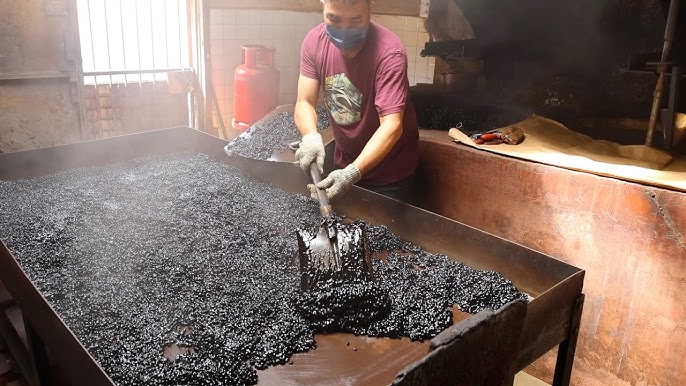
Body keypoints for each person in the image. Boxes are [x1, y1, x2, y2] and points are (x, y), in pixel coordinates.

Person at [294, 0, 419, 203]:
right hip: (343, 163)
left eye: (355, 20)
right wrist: (310, 136)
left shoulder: (389, 53)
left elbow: (392, 126)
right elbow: (305, 102)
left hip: (388, 177)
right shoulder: (314, 42)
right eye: (334, 19)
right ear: (322, 5)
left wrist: (352, 173)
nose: (344, 29)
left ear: (370, 9)